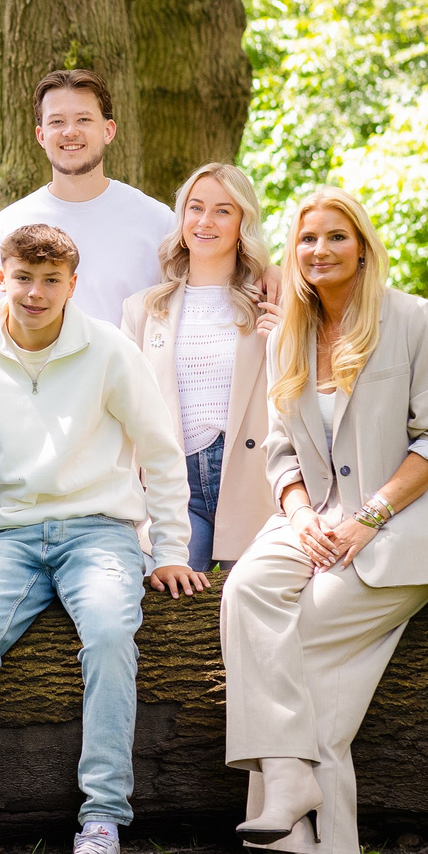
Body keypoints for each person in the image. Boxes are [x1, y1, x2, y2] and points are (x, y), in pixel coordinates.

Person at [0, 222, 198, 854]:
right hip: (6, 539)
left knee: (107, 634)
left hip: (98, 530)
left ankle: (101, 826)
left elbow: (160, 452)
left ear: (73, 284)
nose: (35, 293)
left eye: (51, 281)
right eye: (22, 278)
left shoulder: (108, 350)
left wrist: (169, 552)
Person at [223, 186, 428, 854]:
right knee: (245, 592)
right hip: (315, 521)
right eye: (307, 240)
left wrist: (368, 516)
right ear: (291, 253)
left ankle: (308, 832)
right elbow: (278, 451)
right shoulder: (288, 336)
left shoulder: (414, 320)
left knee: (299, 645)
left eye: (336, 237)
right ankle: (301, 801)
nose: (320, 251)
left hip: (400, 529)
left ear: (362, 246)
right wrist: (299, 512)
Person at [119, 164, 279, 575]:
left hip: (251, 478)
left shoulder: (272, 300)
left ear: (243, 221)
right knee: (172, 607)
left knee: (251, 605)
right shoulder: (142, 308)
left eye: (224, 210)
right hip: (174, 485)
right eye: (196, 208)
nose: (206, 221)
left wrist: (284, 342)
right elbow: (124, 408)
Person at [0, 69, 178, 328]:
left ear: (108, 131)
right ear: (41, 136)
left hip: (126, 369)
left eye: (83, 119)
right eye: (57, 121)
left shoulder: (158, 222)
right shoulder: (7, 225)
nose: (70, 131)